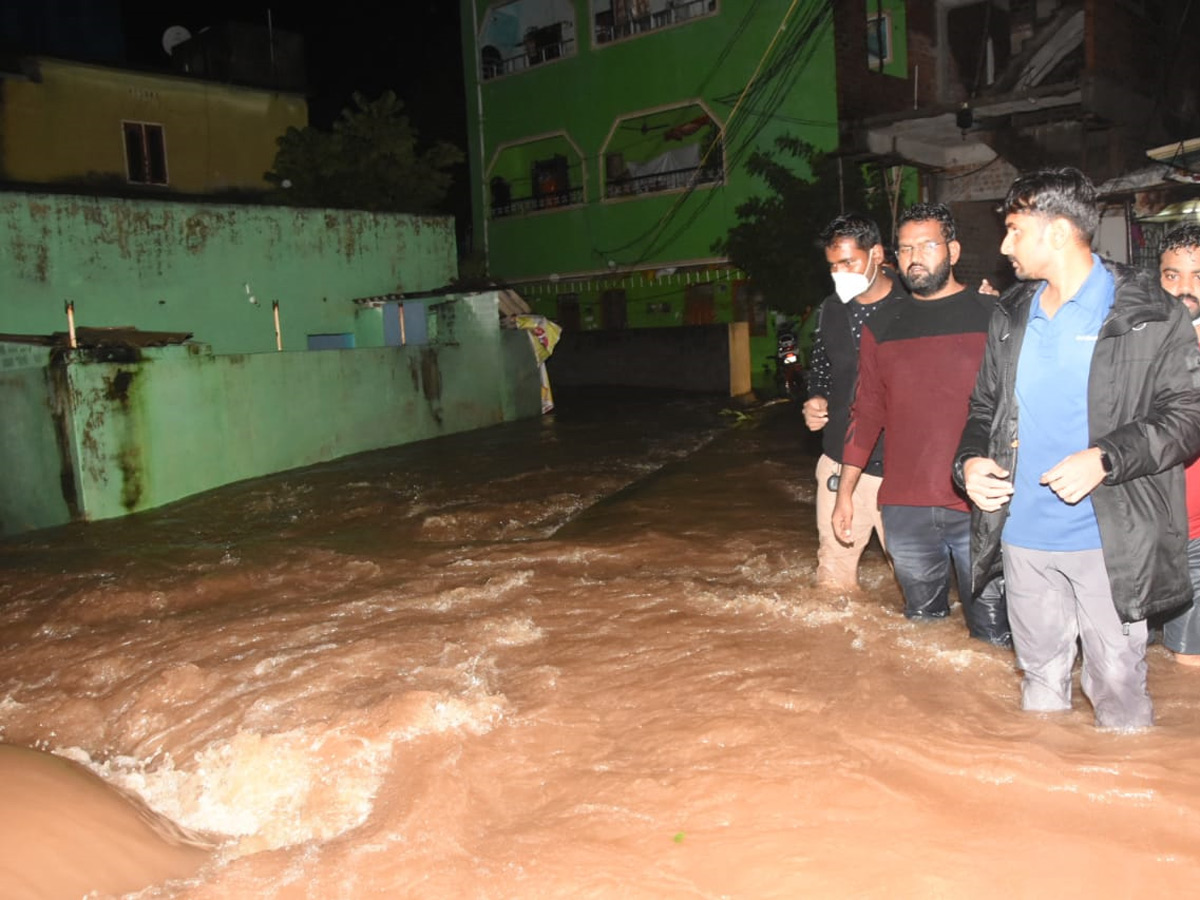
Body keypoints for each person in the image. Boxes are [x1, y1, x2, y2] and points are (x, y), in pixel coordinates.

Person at [954, 167, 1200, 730]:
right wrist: (968, 462)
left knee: (1119, 693)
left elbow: (1188, 418)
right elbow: (983, 409)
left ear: (1059, 232)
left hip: (1108, 538)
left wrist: (1105, 457)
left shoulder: (1149, 314)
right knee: (1040, 686)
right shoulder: (1011, 315)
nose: (1004, 245)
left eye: (1015, 230)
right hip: (1022, 538)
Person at [831, 203, 1010, 645]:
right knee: (923, 637)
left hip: (979, 505)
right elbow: (867, 410)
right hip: (905, 507)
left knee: (992, 635)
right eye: (906, 248)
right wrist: (847, 493)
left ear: (952, 249)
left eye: (927, 245)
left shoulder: (995, 316)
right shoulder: (883, 325)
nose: (914, 257)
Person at [803, 214, 907, 591]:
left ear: (876, 254)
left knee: (914, 584)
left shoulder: (913, 305)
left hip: (901, 468)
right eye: (833, 265)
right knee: (832, 579)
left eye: (848, 262)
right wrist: (815, 398)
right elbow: (822, 367)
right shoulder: (832, 308)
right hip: (840, 458)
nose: (839, 272)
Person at [1158, 223, 1200, 667]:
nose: (1184, 289)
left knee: (1188, 665)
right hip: (1142, 535)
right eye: (1172, 275)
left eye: (1197, 276)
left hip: (1196, 537)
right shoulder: (1136, 343)